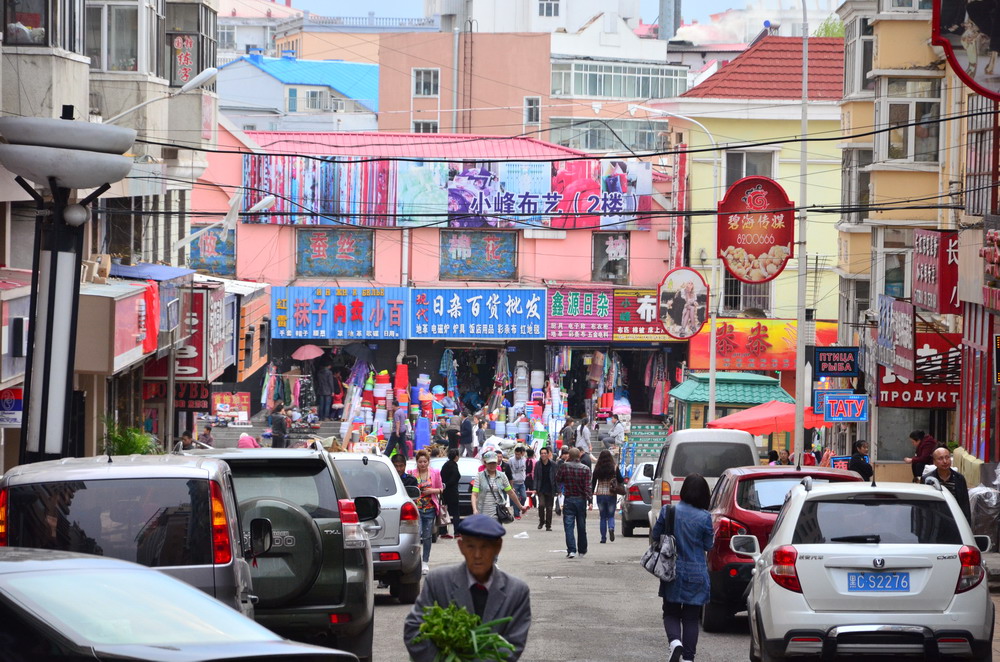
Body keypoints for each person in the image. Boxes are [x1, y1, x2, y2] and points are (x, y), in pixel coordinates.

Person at [403, 515, 531, 662]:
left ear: (498, 547)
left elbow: (512, 645)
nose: (477, 555)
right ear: (461, 546)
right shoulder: (438, 582)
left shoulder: (516, 591)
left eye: (485, 547)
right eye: (470, 546)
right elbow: (414, 630)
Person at [652, 473, 714, 662]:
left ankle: (675, 643)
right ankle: (688, 658)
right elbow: (708, 545)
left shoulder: (668, 511)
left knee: (670, 612)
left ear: (684, 491)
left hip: (672, 570)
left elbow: (656, 535)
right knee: (690, 617)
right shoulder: (705, 517)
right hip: (696, 572)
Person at [408, 449, 444, 575]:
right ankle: (415, 561)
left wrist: (431, 491)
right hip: (415, 509)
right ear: (416, 462)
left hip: (429, 508)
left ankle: (425, 561)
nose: (422, 464)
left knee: (427, 536)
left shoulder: (435, 473)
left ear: (428, 462)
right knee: (416, 535)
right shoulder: (411, 473)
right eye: (420, 462)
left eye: (425, 461)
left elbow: (441, 489)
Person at [556, 447, 592, 559]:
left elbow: (558, 479)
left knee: (568, 525)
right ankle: (582, 549)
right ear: (579, 456)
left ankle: (571, 550)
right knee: (581, 525)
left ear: (569, 456)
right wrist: (590, 500)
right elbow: (588, 487)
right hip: (581, 499)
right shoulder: (585, 469)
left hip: (569, 498)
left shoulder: (564, 467)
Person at [472, 451, 528, 522]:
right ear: (485, 463)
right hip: (482, 512)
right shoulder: (479, 476)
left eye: (494, 463)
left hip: (497, 513)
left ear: (497, 463)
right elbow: (474, 494)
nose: (492, 465)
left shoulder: (502, 476)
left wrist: (520, 507)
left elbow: (510, 492)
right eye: (489, 463)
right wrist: (474, 509)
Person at [923, 447, 972, 523]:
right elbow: (924, 506)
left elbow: (965, 505)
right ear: (934, 462)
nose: (945, 461)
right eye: (940, 459)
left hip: (955, 520)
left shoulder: (959, 479)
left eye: (947, 457)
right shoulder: (927, 480)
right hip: (934, 520)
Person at [592, 449, 624, 544]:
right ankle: (611, 527)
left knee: (602, 517)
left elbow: (593, 482)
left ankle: (603, 538)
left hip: (600, 494)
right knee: (611, 515)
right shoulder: (614, 467)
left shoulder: (597, 468)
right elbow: (621, 480)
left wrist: (590, 496)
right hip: (611, 494)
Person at [440, 448, 462, 538]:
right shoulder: (454, 465)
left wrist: (444, 485)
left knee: (444, 511)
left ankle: (443, 532)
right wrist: (449, 484)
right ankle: (457, 532)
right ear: (456, 456)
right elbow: (455, 478)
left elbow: (441, 476)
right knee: (456, 512)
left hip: (444, 492)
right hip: (452, 492)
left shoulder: (445, 465)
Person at [534, 447, 557, 531]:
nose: (543, 455)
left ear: (548, 454)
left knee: (549, 508)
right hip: (541, 488)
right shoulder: (537, 464)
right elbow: (536, 477)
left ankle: (548, 525)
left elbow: (556, 477)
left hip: (550, 488)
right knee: (541, 505)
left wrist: (557, 489)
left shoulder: (553, 464)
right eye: (542, 453)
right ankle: (541, 521)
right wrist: (535, 488)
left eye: (545, 453)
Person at [508, 446, 528, 520]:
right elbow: (508, 471)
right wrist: (511, 483)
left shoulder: (524, 460)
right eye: (516, 454)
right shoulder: (511, 460)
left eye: (518, 454)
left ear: (521, 454)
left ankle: (521, 508)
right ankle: (516, 514)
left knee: (524, 497)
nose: (517, 456)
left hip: (522, 482)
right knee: (515, 498)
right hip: (514, 482)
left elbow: (525, 470)